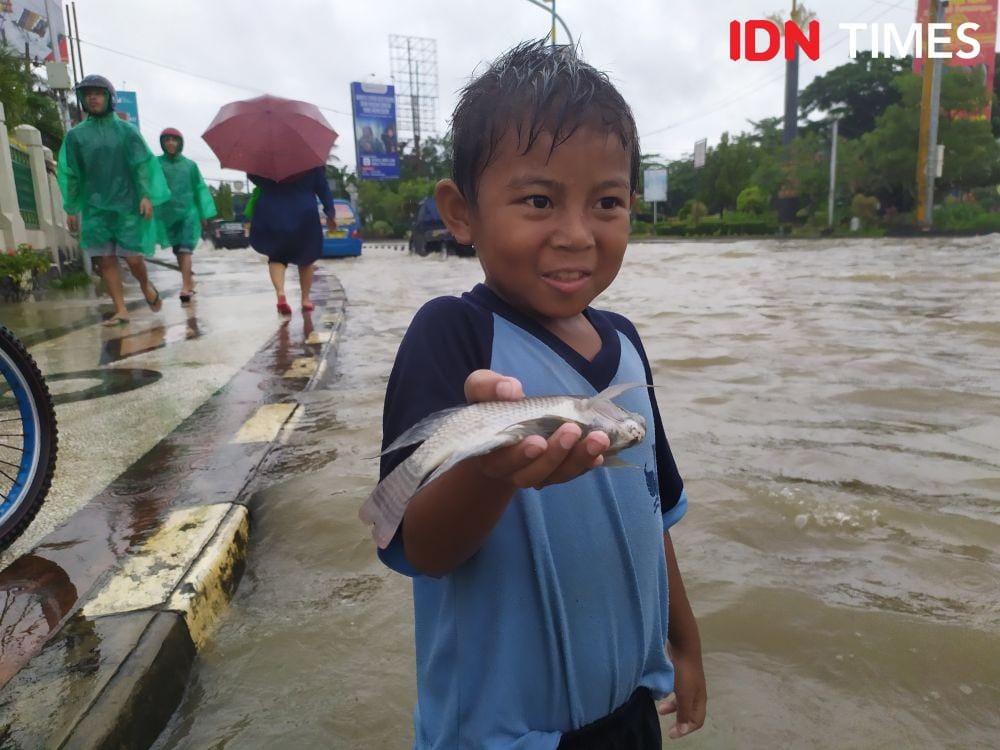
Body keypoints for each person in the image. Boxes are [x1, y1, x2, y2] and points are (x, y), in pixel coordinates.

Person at [372, 41, 706, 749]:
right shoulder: (452, 336)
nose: (577, 235)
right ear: (461, 213)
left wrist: (688, 646)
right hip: (502, 737)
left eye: (607, 202)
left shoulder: (628, 347)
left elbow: (656, 518)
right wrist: (489, 473)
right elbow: (421, 547)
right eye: (538, 201)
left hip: (630, 714)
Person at [57, 74, 171, 326]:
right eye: (88, 95)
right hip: (95, 207)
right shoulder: (76, 137)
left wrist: (145, 195)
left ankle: (144, 283)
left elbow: (141, 165)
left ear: (109, 98)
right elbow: (72, 173)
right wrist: (72, 207)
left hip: (127, 205)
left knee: (132, 258)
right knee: (105, 259)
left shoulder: (126, 132)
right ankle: (120, 310)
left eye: (98, 93)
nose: (93, 98)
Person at [247, 166, 335, 314]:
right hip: (304, 213)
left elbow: (254, 177)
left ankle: (281, 293)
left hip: (273, 212)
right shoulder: (312, 162)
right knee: (307, 257)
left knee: (276, 256)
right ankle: (305, 300)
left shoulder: (267, 159)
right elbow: (323, 188)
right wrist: (330, 213)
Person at [155, 128, 217, 303]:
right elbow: (150, 184)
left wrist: (204, 213)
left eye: (174, 140)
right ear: (162, 143)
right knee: (178, 251)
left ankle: (185, 287)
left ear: (180, 143)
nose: (170, 143)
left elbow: (199, 189)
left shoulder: (190, 166)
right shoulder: (156, 164)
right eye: (167, 140)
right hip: (168, 214)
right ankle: (190, 280)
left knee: (185, 249)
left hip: (189, 213)